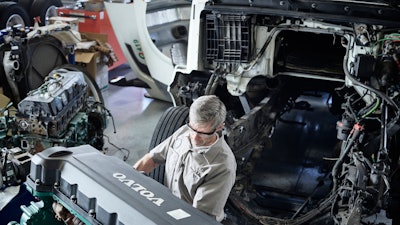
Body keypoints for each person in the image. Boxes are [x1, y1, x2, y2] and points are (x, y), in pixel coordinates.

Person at [134, 95, 237, 222]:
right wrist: (129, 182)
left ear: (220, 127)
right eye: (193, 129)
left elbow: (198, 217)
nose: (194, 138)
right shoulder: (184, 132)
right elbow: (152, 159)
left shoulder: (222, 166)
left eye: (203, 133)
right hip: (167, 206)